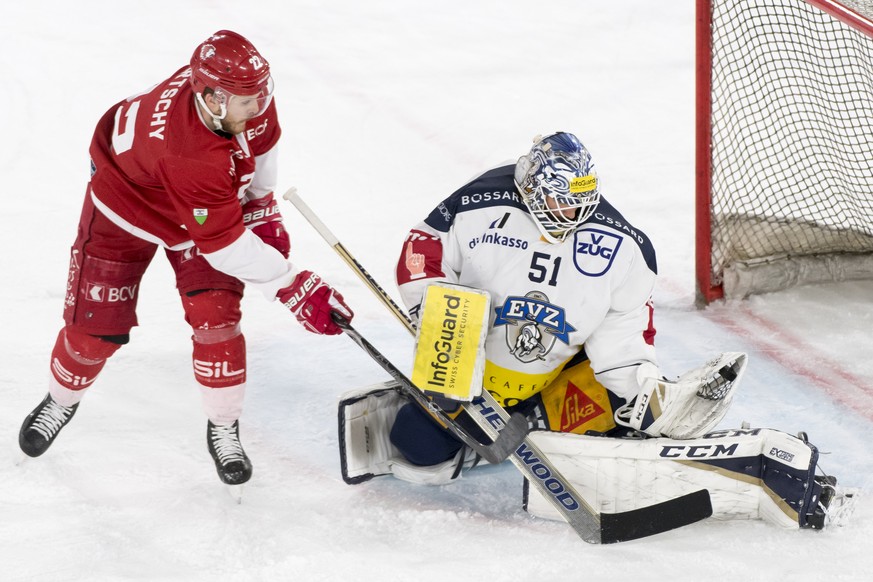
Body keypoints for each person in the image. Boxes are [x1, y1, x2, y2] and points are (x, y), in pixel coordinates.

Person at [18, 30, 354, 488]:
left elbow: (264, 139)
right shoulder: (190, 155)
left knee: (217, 322)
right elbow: (223, 244)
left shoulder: (240, 96)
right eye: (245, 101)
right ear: (211, 99)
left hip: (198, 201)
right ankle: (60, 400)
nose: (258, 107)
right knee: (94, 330)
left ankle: (224, 426)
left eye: (262, 95)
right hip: (126, 206)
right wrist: (292, 287)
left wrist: (260, 203)